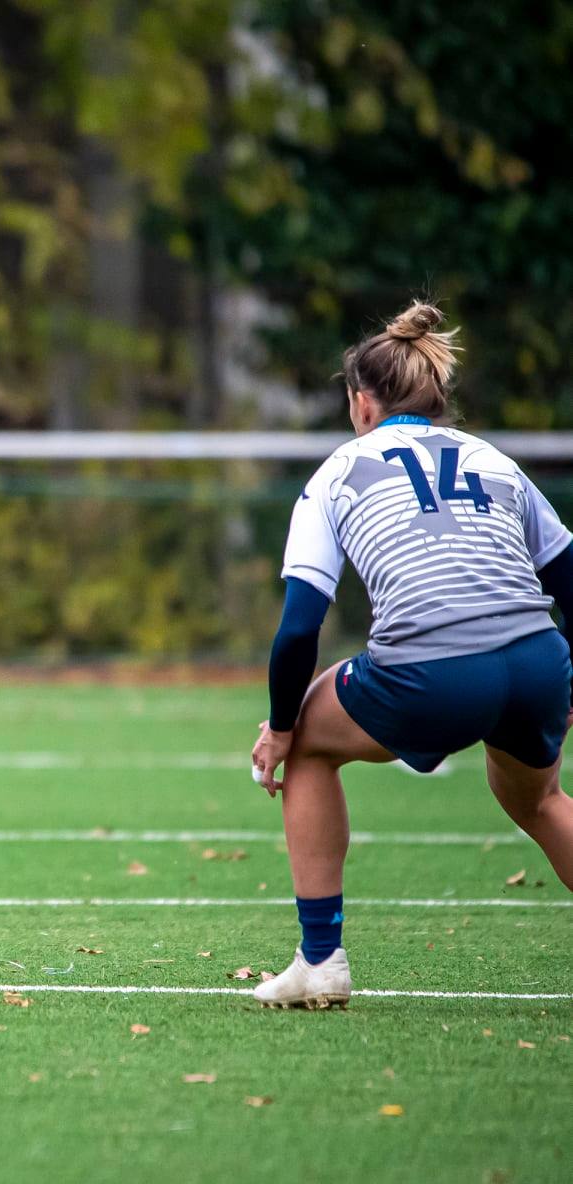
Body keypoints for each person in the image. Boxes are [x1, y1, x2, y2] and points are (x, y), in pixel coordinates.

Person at [250, 301, 573, 1008]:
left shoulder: (337, 471)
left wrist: (278, 724)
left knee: (306, 740)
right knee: (541, 801)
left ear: (360, 402)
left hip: (433, 671)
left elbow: (300, 628)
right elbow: (567, 579)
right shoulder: (493, 460)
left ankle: (320, 960)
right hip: (536, 658)